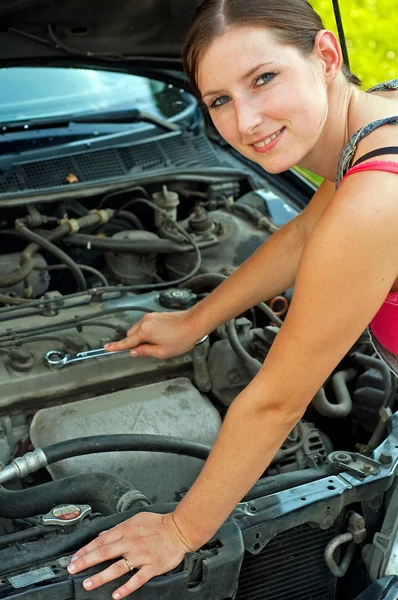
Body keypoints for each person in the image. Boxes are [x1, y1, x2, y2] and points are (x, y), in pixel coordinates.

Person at [67, 0, 398, 596]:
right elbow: (301, 234)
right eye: (220, 100)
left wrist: (179, 530)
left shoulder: (375, 202)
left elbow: (276, 403)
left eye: (263, 78)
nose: (246, 122)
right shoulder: (376, 117)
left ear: (325, 54)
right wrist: (195, 321)